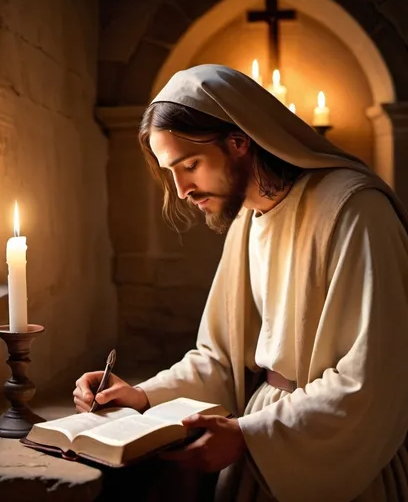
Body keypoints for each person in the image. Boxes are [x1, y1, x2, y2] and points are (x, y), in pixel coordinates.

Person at [73, 64, 408, 501]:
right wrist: (140, 396)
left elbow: (373, 382)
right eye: (170, 171)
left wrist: (250, 435)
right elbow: (220, 359)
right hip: (261, 446)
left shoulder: (354, 210)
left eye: (190, 164)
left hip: (327, 455)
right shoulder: (248, 222)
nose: (181, 190)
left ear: (238, 141)